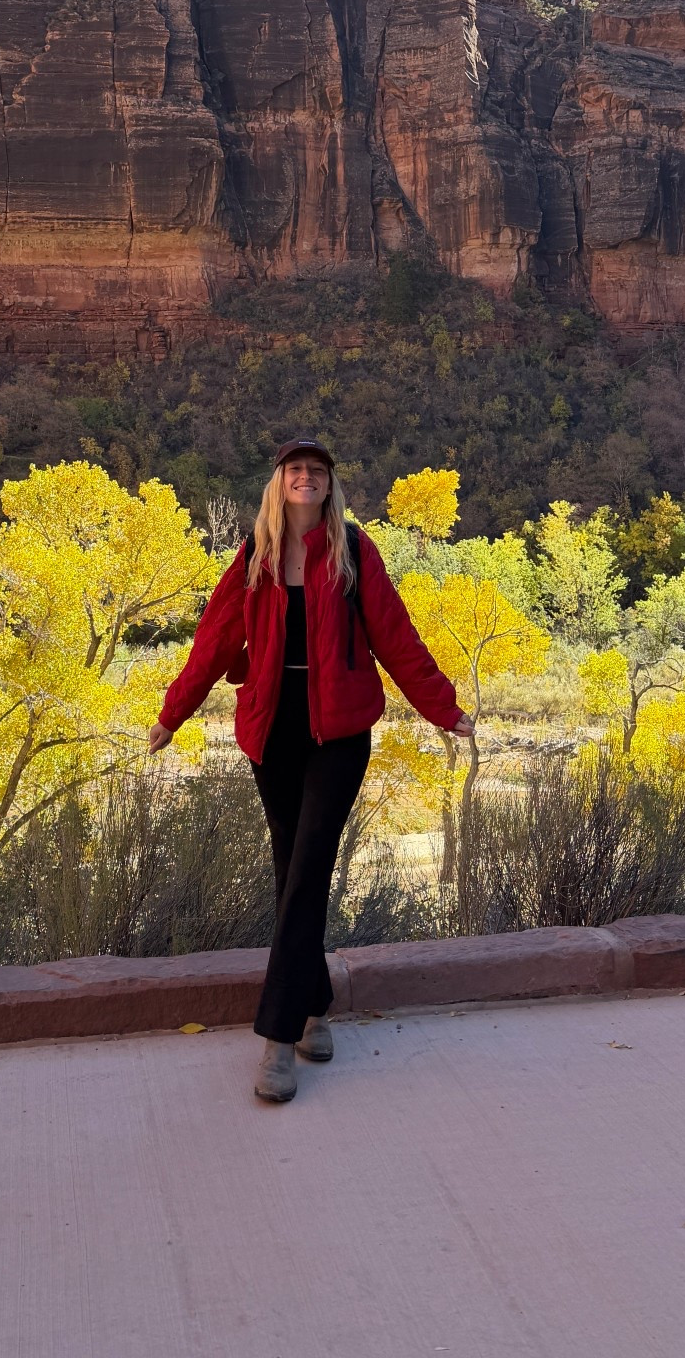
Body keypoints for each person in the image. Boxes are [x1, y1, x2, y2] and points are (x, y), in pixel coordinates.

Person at [148, 436, 473, 1103]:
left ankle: (276, 1039)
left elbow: (397, 637)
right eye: (296, 470)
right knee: (290, 872)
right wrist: (171, 715)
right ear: (279, 483)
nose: (306, 478)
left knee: (308, 870)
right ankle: (316, 1000)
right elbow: (212, 643)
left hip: (339, 734)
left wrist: (444, 709)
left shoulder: (355, 552)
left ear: (329, 485)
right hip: (273, 729)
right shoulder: (254, 558)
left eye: (317, 471)